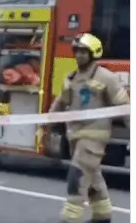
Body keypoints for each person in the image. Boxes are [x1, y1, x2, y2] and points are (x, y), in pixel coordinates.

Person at [37, 33, 129, 223]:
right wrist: (44, 126)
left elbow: (125, 108)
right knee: (92, 176)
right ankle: (102, 216)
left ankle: (70, 218)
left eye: (83, 52)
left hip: (94, 139)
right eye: (77, 51)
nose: (79, 55)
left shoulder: (107, 78)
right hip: (74, 136)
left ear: (93, 54)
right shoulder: (71, 78)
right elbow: (60, 103)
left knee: (77, 176)